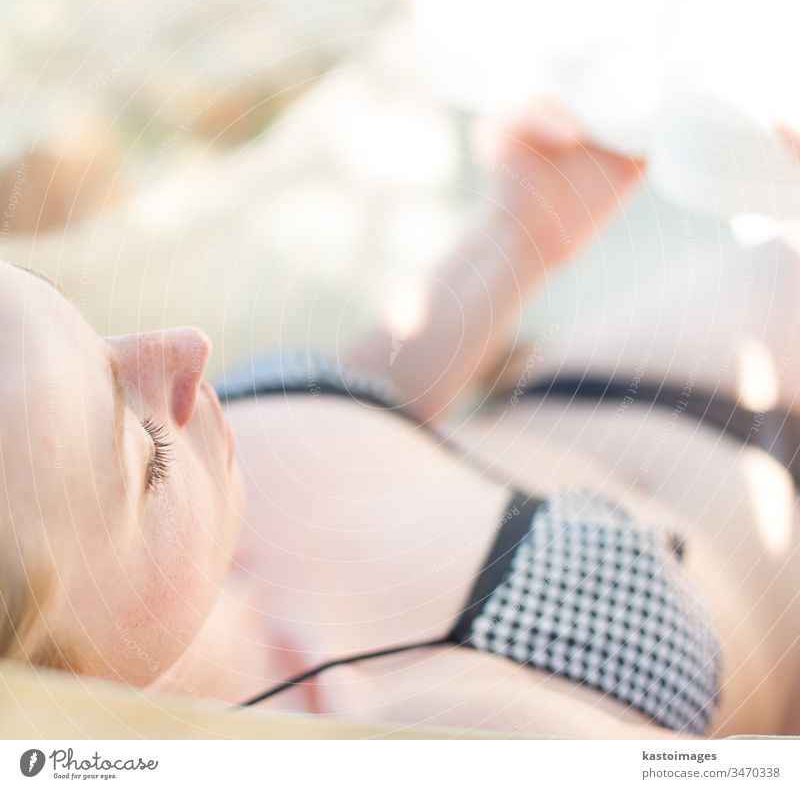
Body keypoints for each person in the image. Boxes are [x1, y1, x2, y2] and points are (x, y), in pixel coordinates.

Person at [2, 106, 799, 740]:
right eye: (145, 455)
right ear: (62, 692)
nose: (185, 350)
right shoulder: (414, 744)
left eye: (90, 326)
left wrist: (521, 231)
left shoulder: (160, 502)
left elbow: (359, 406)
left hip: (622, 390)